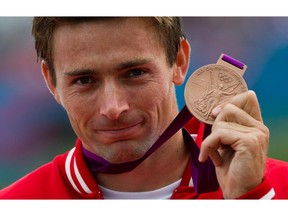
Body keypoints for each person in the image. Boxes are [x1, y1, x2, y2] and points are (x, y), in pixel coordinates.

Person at [0, 17, 288, 199]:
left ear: (179, 62)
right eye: (84, 80)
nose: (113, 108)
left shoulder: (277, 188)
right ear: (51, 82)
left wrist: (251, 200)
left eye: (134, 73)